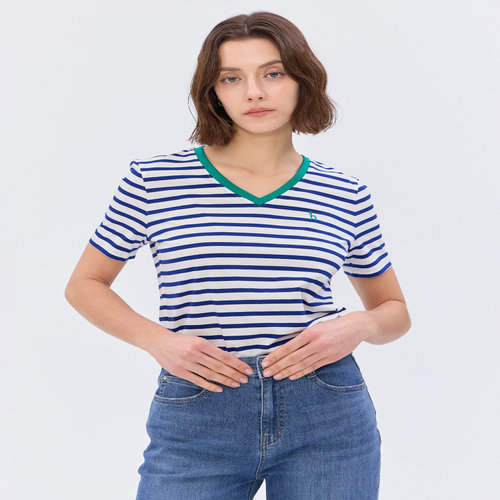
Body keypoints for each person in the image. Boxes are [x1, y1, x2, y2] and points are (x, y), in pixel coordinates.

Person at [65, 10, 411, 500]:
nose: (254, 92)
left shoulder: (344, 192)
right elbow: (84, 285)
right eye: (232, 78)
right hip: (199, 408)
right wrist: (159, 342)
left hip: (328, 411)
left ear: (302, 81)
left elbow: (394, 312)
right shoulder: (154, 180)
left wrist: (359, 325)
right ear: (213, 91)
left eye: (273, 73)